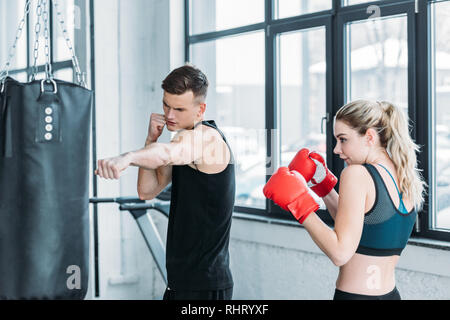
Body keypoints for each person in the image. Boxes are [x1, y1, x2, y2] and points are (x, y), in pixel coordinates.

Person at [95, 64, 235, 300]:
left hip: (205, 286)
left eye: (179, 109)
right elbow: (147, 191)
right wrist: (151, 138)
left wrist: (128, 157)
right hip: (180, 282)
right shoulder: (181, 137)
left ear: (201, 110)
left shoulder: (206, 139)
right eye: (166, 105)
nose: (170, 115)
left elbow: (168, 154)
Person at [264, 100, 426, 300]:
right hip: (390, 295)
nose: (336, 149)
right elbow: (359, 224)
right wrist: (323, 186)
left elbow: (340, 253)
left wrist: (299, 202)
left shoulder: (357, 174)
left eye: (343, 139)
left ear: (369, 137)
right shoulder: (403, 175)